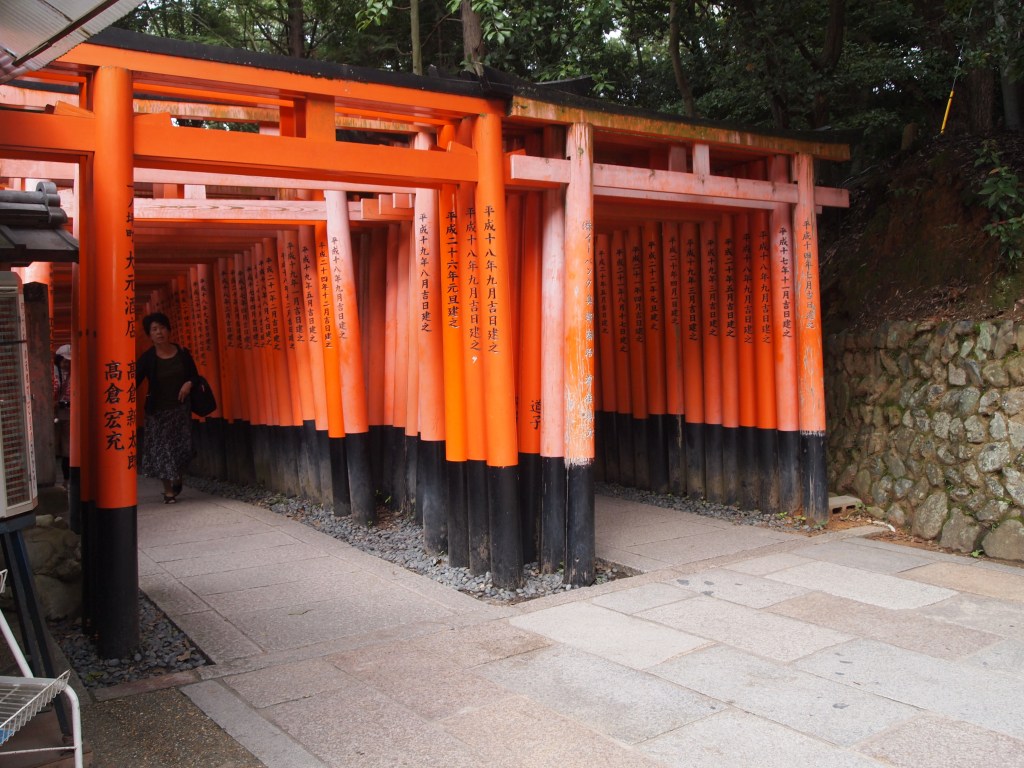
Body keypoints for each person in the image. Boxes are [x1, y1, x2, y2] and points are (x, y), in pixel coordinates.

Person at [136, 313, 199, 503]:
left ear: (169, 330)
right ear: (150, 335)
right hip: (157, 412)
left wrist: (189, 384)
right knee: (161, 451)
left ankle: (177, 478)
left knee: (181, 449)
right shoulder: (148, 358)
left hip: (179, 411)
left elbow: (195, 376)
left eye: (162, 328)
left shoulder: (182, 354)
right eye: (154, 330)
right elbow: (134, 380)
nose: (159, 332)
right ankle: (168, 490)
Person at [53, 344, 72, 486]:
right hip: (58, 413)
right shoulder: (53, 374)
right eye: (64, 361)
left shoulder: (72, 374)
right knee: (61, 447)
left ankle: (67, 480)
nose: (66, 364)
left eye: (69, 361)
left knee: (67, 448)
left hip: (67, 413)